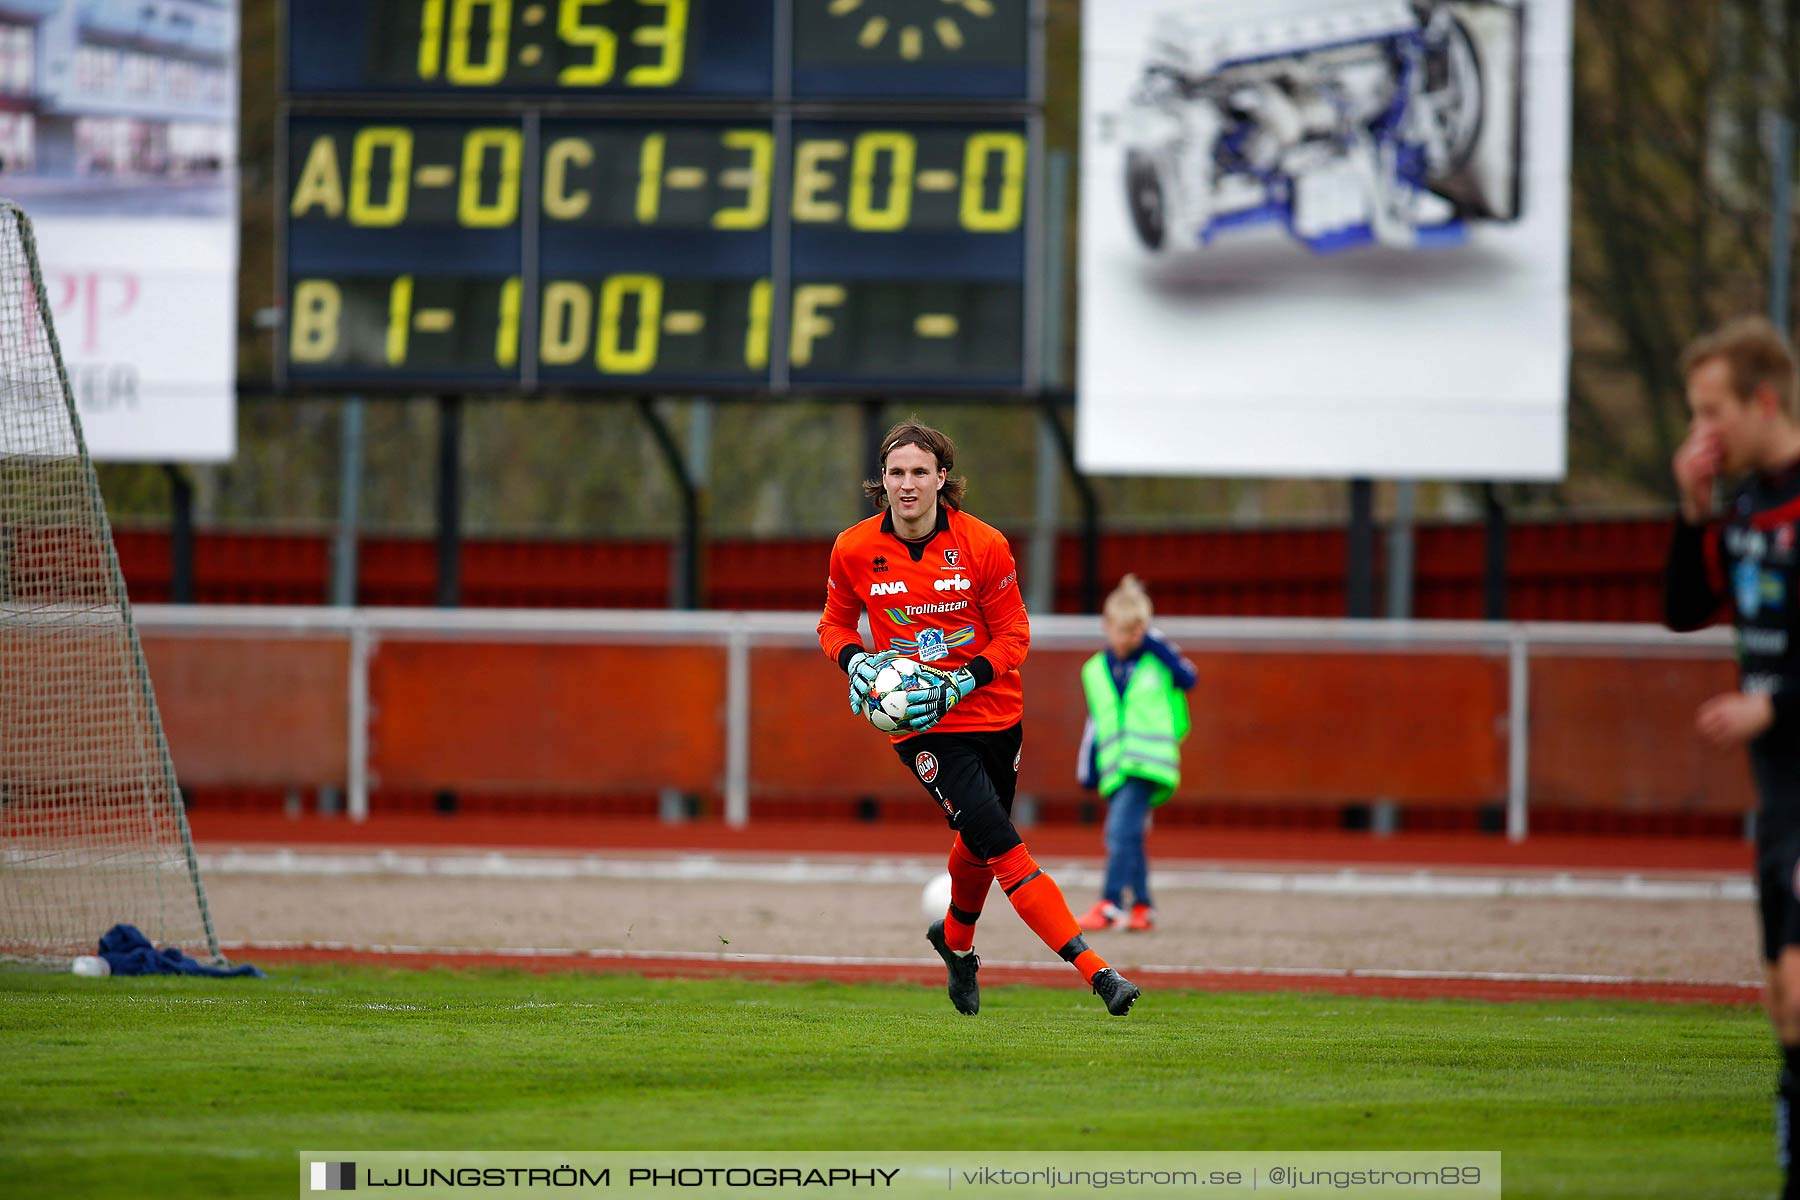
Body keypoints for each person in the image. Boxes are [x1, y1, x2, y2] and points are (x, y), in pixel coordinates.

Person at [817, 419, 1140, 1017]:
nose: (907, 484)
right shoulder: (854, 547)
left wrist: (962, 679)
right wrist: (857, 660)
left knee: (977, 837)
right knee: (1003, 844)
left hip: (994, 713)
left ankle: (957, 944)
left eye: (919, 472)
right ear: (881, 483)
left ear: (942, 478)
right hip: (921, 726)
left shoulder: (983, 545)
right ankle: (1099, 973)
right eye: (896, 473)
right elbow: (833, 625)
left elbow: (1016, 635)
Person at [1663, 316, 1800, 1200]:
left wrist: (1775, 702)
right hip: (1779, 783)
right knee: (1782, 996)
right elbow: (1684, 609)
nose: (1702, 435)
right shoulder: (1743, 506)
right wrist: (1690, 509)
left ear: (1763, 400)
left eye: (1713, 414)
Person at [1074, 575, 1196, 933]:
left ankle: (1110, 902)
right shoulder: (1094, 670)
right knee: (1130, 836)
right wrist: (1089, 768)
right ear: (1107, 626)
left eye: (1137, 632)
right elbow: (1096, 721)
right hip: (1116, 767)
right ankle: (1142, 906)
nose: (1129, 639)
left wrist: (1157, 645)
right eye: (1123, 631)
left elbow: (1189, 678)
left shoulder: (1159, 661)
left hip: (1148, 764)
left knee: (1118, 833)